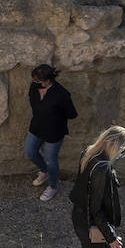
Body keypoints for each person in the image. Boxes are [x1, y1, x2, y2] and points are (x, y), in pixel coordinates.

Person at [68, 126, 125, 248]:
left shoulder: (89, 153)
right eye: (123, 150)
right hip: (90, 223)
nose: (123, 154)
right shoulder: (102, 169)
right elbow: (96, 209)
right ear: (115, 147)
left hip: (80, 216)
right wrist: (111, 238)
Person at [25, 64, 78, 203]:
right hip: (36, 126)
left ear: (48, 80)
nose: (35, 83)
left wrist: (56, 115)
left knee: (51, 160)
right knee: (30, 151)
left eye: (38, 80)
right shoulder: (34, 87)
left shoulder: (62, 94)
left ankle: (53, 187)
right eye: (35, 80)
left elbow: (72, 114)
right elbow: (33, 103)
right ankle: (44, 172)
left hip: (54, 131)